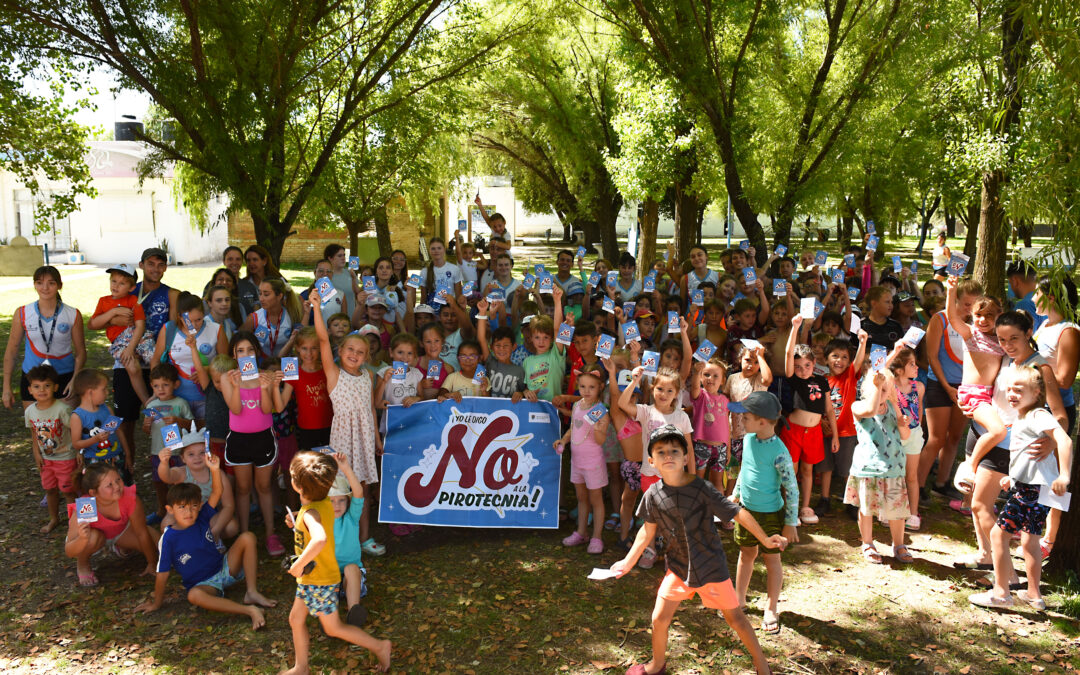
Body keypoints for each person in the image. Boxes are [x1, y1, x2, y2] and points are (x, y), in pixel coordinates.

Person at [610, 425, 787, 675]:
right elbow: (646, 531)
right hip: (678, 569)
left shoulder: (701, 488)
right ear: (651, 461)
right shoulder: (652, 494)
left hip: (711, 568)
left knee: (735, 619)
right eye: (661, 452)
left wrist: (766, 539)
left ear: (686, 457)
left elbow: (736, 511)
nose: (668, 455)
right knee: (659, 619)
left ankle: (763, 667)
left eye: (674, 450)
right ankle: (657, 665)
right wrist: (628, 561)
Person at [137, 445, 276, 628]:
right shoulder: (169, 538)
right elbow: (162, 575)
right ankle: (248, 610)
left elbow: (217, 492)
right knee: (194, 595)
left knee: (247, 537)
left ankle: (251, 591)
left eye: (194, 506)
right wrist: (156, 603)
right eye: (182, 507)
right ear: (170, 510)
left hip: (224, 568)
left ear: (200, 506)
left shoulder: (202, 516)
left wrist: (215, 470)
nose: (189, 512)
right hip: (205, 584)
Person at [969, 366, 1072, 611]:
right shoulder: (1024, 417)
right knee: (1030, 542)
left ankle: (1002, 593)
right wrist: (1012, 479)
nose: (1012, 393)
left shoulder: (1038, 415)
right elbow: (1029, 457)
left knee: (997, 535)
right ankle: (1034, 595)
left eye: (1019, 389)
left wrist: (1065, 475)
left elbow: (1064, 440)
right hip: (1032, 489)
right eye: (1010, 389)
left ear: (1037, 392)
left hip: (1032, 491)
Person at [282, 451, 392, 674]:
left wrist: (298, 564)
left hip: (319, 580)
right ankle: (301, 666)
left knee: (333, 628)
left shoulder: (312, 512)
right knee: (295, 618)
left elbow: (320, 538)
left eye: (293, 477)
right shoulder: (322, 503)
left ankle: (380, 646)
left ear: (298, 486)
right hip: (311, 578)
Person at [310, 297, 385, 557]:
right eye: (349, 349)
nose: (354, 354)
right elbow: (321, 340)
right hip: (342, 437)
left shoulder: (368, 376)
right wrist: (317, 309)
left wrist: (376, 440)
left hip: (363, 438)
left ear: (367, 357)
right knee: (340, 490)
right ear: (340, 351)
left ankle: (364, 537)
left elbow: (370, 411)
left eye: (360, 352)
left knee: (361, 489)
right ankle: (341, 539)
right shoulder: (334, 374)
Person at [730, 392, 799, 635]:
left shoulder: (779, 451)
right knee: (746, 554)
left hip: (771, 515)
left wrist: (790, 522)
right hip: (746, 512)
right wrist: (736, 494)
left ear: (762, 422)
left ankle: (771, 608)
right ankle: (739, 599)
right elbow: (745, 470)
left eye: (745, 417)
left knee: (772, 560)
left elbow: (791, 487)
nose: (741, 420)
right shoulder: (749, 439)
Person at [221, 331, 285, 557]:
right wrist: (237, 386)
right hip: (239, 440)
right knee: (243, 488)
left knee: (265, 486)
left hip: (263, 438)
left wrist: (268, 387)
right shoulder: (227, 377)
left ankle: (270, 533)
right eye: (240, 351)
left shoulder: (264, 375)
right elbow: (236, 409)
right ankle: (245, 534)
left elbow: (268, 410)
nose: (246, 355)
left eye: (250, 350)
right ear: (233, 354)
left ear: (257, 352)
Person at [920, 279, 980, 505]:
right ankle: (917, 485)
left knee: (954, 437)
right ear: (955, 299)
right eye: (965, 304)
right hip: (940, 385)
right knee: (935, 439)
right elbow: (932, 357)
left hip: (965, 386)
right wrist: (946, 385)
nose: (969, 310)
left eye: (973, 305)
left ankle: (941, 484)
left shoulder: (975, 324)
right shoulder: (940, 319)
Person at [945, 276, 1007, 492]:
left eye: (989, 315)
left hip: (990, 397)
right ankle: (968, 466)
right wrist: (951, 291)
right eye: (978, 315)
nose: (982, 320)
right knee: (998, 432)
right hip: (973, 394)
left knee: (990, 435)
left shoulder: (1001, 340)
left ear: (999, 315)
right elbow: (952, 318)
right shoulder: (971, 335)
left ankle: (974, 488)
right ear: (972, 315)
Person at [846, 369, 913, 564]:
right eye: (879, 388)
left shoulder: (893, 407)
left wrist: (902, 420)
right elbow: (871, 411)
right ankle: (867, 543)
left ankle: (899, 544)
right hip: (868, 467)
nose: (883, 392)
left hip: (894, 467)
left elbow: (905, 436)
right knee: (866, 509)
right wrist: (878, 388)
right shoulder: (858, 406)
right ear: (868, 388)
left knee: (897, 511)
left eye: (887, 389)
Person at [1032, 275, 1079, 557]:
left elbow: (1065, 378)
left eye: (1037, 292)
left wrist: (1035, 366)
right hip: (1035, 408)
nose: (1033, 297)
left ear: (1050, 296)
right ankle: (1031, 528)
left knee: (1055, 476)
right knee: (1036, 471)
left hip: (1057, 411)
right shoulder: (1045, 324)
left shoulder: (1069, 330)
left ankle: (1049, 538)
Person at [3, 265, 86, 409]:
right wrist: (6, 387)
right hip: (32, 378)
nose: (45, 287)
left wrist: (75, 379)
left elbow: (81, 353)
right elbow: (11, 351)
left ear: (59, 285)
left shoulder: (73, 314)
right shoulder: (22, 313)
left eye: (51, 283)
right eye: (39, 282)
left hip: (65, 377)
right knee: (38, 430)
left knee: (65, 429)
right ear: (34, 285)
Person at [783, 315, 840, 526]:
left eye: (807, 365)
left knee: (808, 470)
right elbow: (789, 354)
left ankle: (805, 506)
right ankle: (790, 507)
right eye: (798, 366)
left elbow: (829, 410)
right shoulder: (794, 380)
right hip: (794, 431)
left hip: (814, 432)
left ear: (814, 363)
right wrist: (795, 327)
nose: (803, 370)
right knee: (792, 470)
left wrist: (834, 434)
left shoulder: (822, 381)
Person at [64, 463, 159, 586]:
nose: (117, 486)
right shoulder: (84, 506)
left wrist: (151, 563)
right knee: (92, 537)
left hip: (121, 532)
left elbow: (142, 533)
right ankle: (82, 563)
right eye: (109, 485)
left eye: (118, 480)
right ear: (93, 493)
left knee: (157, 544)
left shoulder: (130, 498)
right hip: (96, 539)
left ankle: (122, 546)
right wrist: (82, 539)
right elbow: (69, 551)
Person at [553, 365, 609, 555]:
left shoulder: (601, 411)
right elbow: (574, 428)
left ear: (600, 387)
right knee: (581, 498)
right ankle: (582, 532)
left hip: (593, 463)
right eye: (583, 387)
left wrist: (599, 428)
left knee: (596, 500)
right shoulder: (577, 405)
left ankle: (597, 537)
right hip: (577, 462)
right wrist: (563, 440)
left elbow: (600, 441)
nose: (586, 391)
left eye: (591, 387)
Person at [151, 292, 229, 424]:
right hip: (176, 397)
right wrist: (156, 389)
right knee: (177, 438)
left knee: (206, 434)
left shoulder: (216, 330)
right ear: (180, 316)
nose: (194, 325)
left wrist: (208, 369)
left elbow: (227, 365)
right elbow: (156, 360)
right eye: (189, 321)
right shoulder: (169, 329)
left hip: (208, 396)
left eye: (199, 319)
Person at [815, 333, 868, 518]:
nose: (840, 360)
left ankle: (852, 502)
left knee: (847, 469)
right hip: (826, 432)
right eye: (835, 356)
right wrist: (821, 422)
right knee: (826, 468)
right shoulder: (822, 382)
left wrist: (862, 342)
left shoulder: (849, 377)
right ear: (826, 359)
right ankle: (825, 499)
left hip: (847, 432)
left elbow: (859, 361)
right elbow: (818, 406)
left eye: (845, 357)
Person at [156, 429, 238, 539]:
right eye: (191, 454)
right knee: (166, 525)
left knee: (232, 527)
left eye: (202, 453)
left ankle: (205, 537)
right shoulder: (181, 473)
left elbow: (229, 505)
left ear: (209, 453)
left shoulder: (218, 473)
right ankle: (189, 540)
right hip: (183, 515)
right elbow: (166, 476)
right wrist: (164, 462)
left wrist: (217, 530)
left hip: (209, 516)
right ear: (183, 458)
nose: (197, 457)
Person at [23, 364, 76, 533]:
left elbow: (74, 430)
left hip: (66, 458)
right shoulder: (30, 411)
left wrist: (79, 452)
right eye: (36, 386)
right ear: (30, 390)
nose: (42, 390)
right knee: (50, 490)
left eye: (46, 386)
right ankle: (54, 519)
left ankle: (73, 523)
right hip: (46, 460)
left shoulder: (63, 409)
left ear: (55, 387)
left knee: (69, 491)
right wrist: (36, 453)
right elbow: (34, 433)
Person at [91, 264, 153, 405]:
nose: (116, 286)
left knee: (156, 361)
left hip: (137, 337)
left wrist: (131, 348)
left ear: (131, 288)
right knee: (132, 367)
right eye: (114, 281)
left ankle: (160, 395)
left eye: (122, 283)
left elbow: (140, 326)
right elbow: (93, 324)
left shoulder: (133, 301)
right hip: (119, 342)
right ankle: (147, 403)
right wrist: (113, 312)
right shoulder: (104, 301)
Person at [141, 363, 194, 523]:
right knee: (159, 482)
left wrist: (178, 421)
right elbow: (147, 431)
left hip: (177, 452)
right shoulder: (151, 406)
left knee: (180, 481)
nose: (161, 389)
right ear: (151, 386)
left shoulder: (180, 403)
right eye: (156, 386)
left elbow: (192, 425)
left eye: (165, 385)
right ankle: (162, 509)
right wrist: (146, 426)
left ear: (175, 384)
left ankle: (182, 510)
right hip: (157, 451)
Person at [326, 452, 370, 627]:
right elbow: (305, 510)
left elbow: (358, 493)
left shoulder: (351, 518)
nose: (337, 506)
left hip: (350, 580)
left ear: (347, 502)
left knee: (352, 569)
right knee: (324, 572)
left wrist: (345, 468)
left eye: (341, 500)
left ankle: (354, 611)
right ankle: (330, 617)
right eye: (332, 501)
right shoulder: (320, 519)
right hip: (328, 578)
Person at [888, 347, 926, 531]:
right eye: (911, 364)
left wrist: (917, 430)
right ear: (899, 368)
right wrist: (894, 352)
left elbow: (918, 413)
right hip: (894, 435)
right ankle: (890, 510)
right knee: (893, 475)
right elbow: (879, 371)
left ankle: (913, 512)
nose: (916, 367)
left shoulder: (918, 387)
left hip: (914, 434)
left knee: (911, 475)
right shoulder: (889, 387)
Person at [70, 369, 132, 478]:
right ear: (90, 392)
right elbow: (76, 444)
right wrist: (95, 439)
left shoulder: (107, 409)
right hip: (95, 462)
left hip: (117, 457)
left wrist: (127, 453)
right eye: (104, 389)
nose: (107, 392)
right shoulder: (77, 416)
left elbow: (119, 431)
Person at [688, 356, 731, 489]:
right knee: (697, 480)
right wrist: (696, 372)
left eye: (715, 376)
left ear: (723, 380)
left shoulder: (725, 400)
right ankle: (697, 506)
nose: (710, 378)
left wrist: (728, 449)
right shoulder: (700, 395)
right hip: (702, 446)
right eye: (706, 374)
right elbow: (694, 387)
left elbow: (726, 426)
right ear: (701, 378)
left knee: (717, 482)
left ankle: (718, 509)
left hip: (721, 448)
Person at [242, 278, 302, 361]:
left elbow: (300, 341)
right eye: (260, 293)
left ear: (279, 296)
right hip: (260, 365)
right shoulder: (253, 318)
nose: (261, 299)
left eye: (266, 295)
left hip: (285, 363)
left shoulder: (291, 316)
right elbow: (242, 345)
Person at [205, 246, 260, 314]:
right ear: (224, 261)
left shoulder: (249, 286)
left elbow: (257, 312)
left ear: (242, 261)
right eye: (230, 259)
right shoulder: (212, 285)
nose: (234, 262)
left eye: (238, 259)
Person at [324, 244, 361, 318]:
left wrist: (354, 278)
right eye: (339, 256)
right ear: (330, 258)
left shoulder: (350, 273)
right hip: (333, 320)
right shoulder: (326, 277)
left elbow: (358, 295)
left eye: (344, 255)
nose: (343, 258)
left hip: (351, 318)